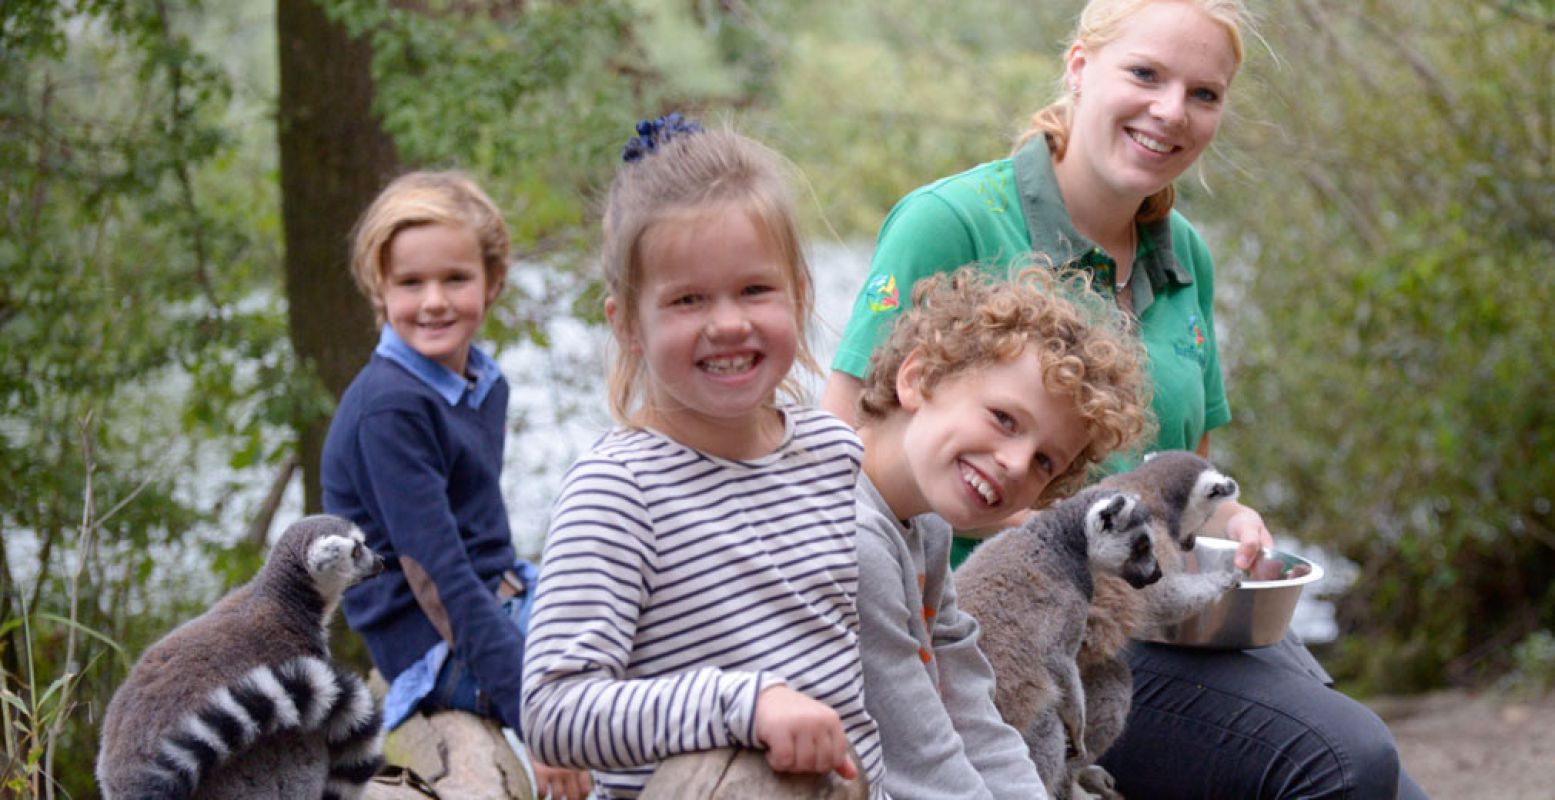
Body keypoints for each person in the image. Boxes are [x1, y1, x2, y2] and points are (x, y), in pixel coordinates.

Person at [822, 1, 1426, 797]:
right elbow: (838, 462)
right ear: (1079, 66)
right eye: (1145, 74)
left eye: (1203, 94)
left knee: (1378, 776)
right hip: (1022, 637)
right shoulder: (950, 222)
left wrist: (1224, 521)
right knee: (1341, 760)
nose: (1170, 111)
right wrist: (1041, 525)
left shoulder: (1188, 260)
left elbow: (1177, 484)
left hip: (1164, 617)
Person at [520, 116, 886, 799]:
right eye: (688, 299)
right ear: (627, 323)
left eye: (754, 290)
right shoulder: (618, 491)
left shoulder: (833, 453)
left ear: (800, 296)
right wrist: (744, 705)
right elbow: (552, 711)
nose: (727, 323)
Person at [321, 170, 590, 800]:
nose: (434, 301)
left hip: (496, 593)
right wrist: (541, 719)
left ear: (492, 283)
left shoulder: (478, 382)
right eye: (410, 283)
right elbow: (438, 580)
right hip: (431, 648)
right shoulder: (390, 409)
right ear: (378, 290)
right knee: (600, 693)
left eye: (455, 279)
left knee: (650, 620)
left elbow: (482, 545)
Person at [854, 265, 1152, 799]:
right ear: (918, 378)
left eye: (1045, 461)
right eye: (1004, 418)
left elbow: (968, 703)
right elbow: (919, 757)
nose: (1017, 464)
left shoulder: (925, 526)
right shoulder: (853, 536)